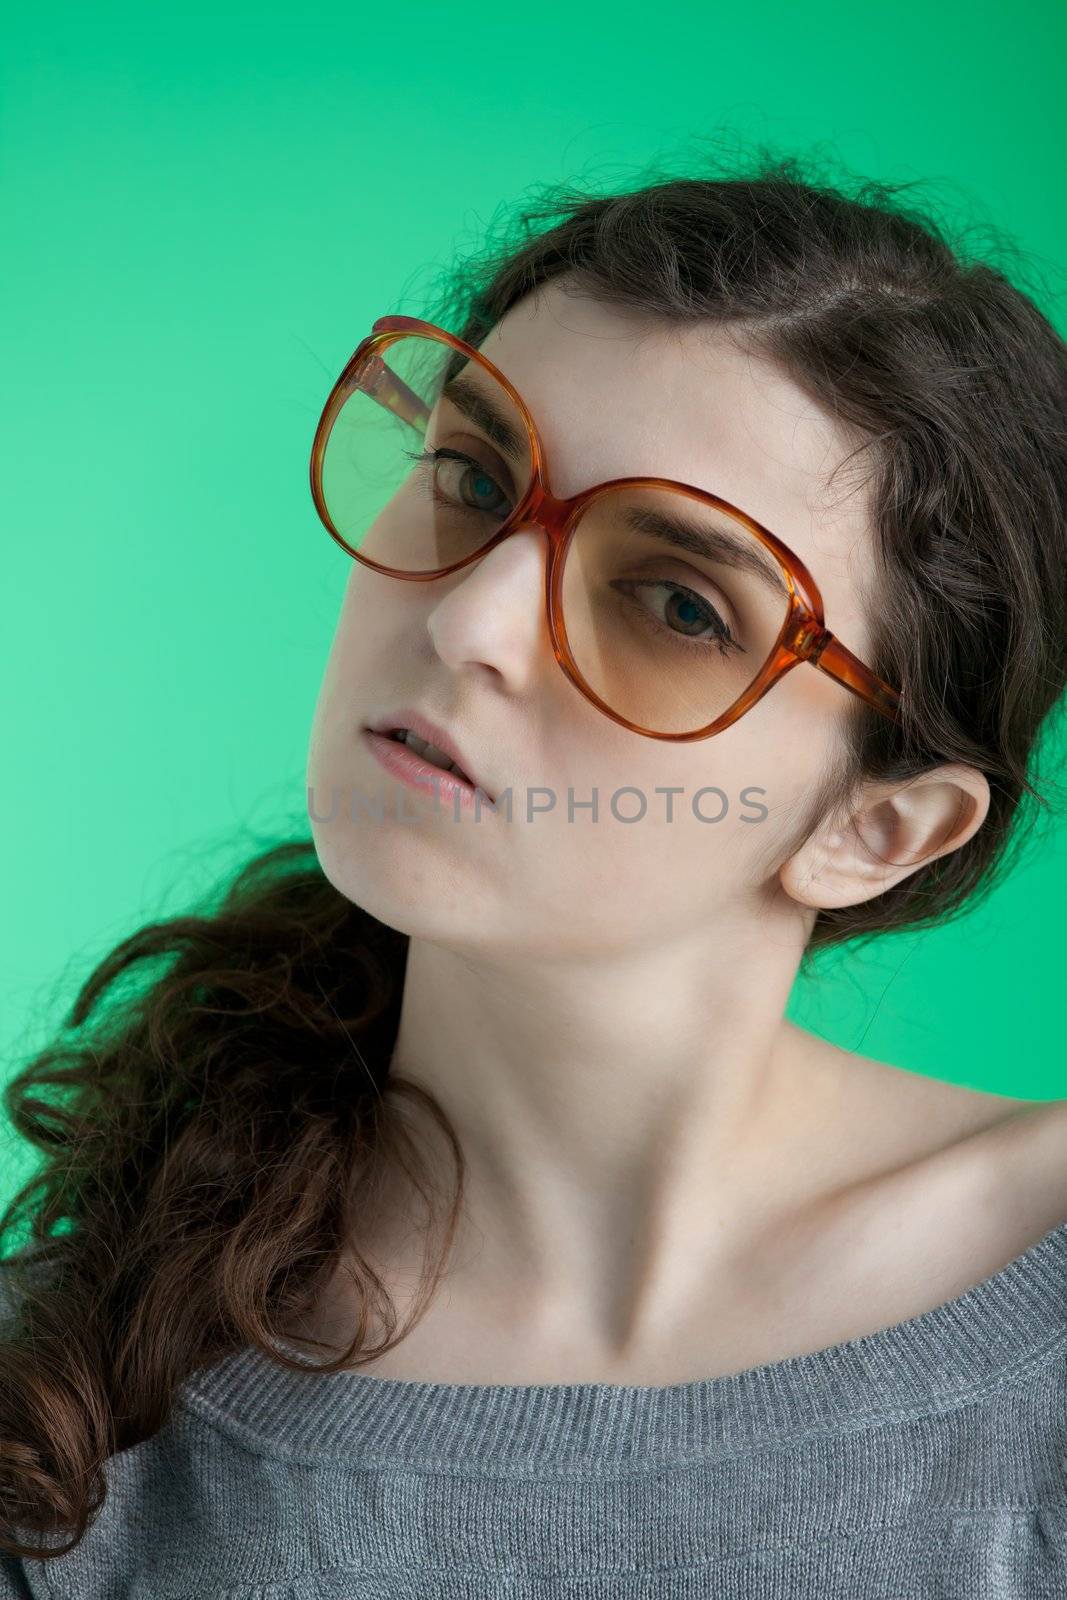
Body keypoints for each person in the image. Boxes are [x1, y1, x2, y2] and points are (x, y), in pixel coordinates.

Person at [2, 151, 1066, 1597]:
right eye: (469, 475)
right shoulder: (62, 1406)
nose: (473, 620)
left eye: (679, 602)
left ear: (875, 827)